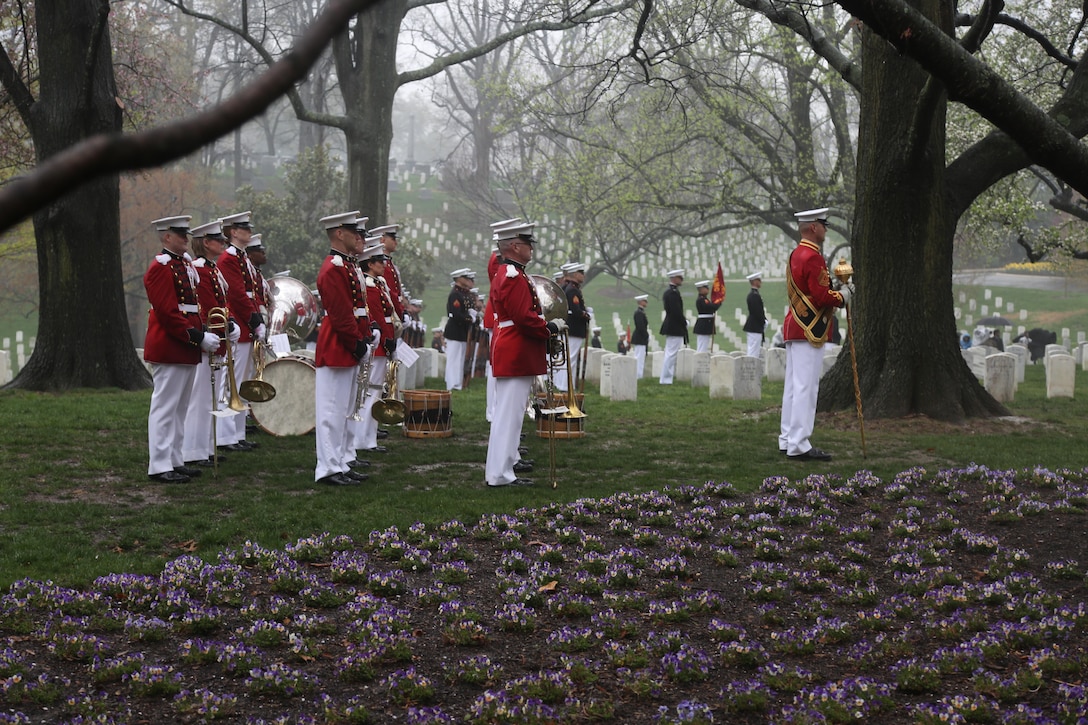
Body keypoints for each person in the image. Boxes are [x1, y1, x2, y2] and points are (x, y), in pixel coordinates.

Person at [485, 221, 566, 487]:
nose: (531, 248)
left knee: (513, 414)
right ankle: (499, 474)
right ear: (515, 246)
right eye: (527, 243)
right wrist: (549, 328)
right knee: (508, 415)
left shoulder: (514, 273)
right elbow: (523, 317)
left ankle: (506, 466)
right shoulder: (511, 275)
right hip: (514, 348)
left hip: (516, 348)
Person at [143, 215, 221, 483]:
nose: (185, 238)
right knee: (165, 407)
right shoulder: (160, 267)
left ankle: (174, 459)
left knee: (179, 407)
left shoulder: (182, 264)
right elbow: (167, 313)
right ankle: (160, 464)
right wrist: (197, 337)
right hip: (171, 344)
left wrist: (199, 334)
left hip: (184, 344)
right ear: (166, 237)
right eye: (179, 234)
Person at [779, 207, 849, 462]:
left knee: (793, 387)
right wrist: (843, 296)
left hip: (795, 325)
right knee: (806, 388)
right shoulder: (813, 257)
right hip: (810, 329)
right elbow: (820, 296)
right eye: (823, 224)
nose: (826, 229)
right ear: (813, 227)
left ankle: (787, 438)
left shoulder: (796, 254)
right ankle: (799, 444)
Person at [314, 211, 372, 486]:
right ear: (339, 233)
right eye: (353, 232)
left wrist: (366, 333)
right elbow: (340, 314)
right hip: (338, 345)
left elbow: (359, 309)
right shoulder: (333, 268)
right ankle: (327, 467)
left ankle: (340, 462)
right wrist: (357, 343)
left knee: (346, 409)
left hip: (349, 343)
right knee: (331, 411)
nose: (359, 237)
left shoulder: (348, 265)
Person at [181, 219, 239, 467]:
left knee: (211, 398)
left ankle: (204, 446)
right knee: (200, 398)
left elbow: (223, 305)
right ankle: (193, 450)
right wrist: (217, 330)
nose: (224, 244)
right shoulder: (201, 270)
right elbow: (204, 309)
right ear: (206, 243)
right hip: (208, 341)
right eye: (220, 240)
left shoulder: (212, 269)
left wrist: (231, 323)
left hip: (218, 340)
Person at [215, 211, 262, 453]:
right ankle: (225, 435)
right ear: (233, 232)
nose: (249, 232)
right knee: (230, 382)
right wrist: (254, 320)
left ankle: (237, 433)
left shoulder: (241, 257)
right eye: (244, 228)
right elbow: (236, 293)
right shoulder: (228, 258)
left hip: (248, 324)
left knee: (242, 383)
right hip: (240, 324)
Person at [353, 240, 398, 455]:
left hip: (384, 341)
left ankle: (368, 438)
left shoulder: (377, 283)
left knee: (375, 392)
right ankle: (363, 439)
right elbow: (379, 318)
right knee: (370, 392)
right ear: (370, 264)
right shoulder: (370, 286)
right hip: (379, 343)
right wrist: (388, 341)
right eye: (380, 261)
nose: (384, 264)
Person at [557, 262, 590, 391]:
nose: (583, 276)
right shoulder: (573, 290)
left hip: (571, 329)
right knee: (570, 358)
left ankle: (564, 385)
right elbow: (576, 310)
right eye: (581, 273)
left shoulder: (571, 288)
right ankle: (565, 386)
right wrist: (585, 314)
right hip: (574, 329)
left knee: (568, 357)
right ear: (575, 274)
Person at [444, 268, 476, 390]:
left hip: (461, 331)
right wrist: (469, 318)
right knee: (454, 359)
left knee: (460, 358)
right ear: (459, 279)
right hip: (454, 331)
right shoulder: (455, 295)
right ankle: (452, 384)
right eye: (465, 278)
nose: (468, 280)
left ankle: (458, 383)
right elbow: (456, 314)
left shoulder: (463, 294)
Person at [658, 269, 687, 384]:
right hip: (674, 326)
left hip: (673, 325)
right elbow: (676, 311)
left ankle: (666, 378)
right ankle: (665, 379)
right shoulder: (672, 293)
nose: (682, 280)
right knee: (671, 353)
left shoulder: (671, 292)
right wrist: (684, 322)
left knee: (670, 353)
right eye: (680, 278)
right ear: (674, 278)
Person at [742, 271, 767, 358]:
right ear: (755, 282)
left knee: (754, 349)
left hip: (754, 326)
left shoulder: (754, 294)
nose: (761, 282)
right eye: (759, 280)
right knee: (753, 350)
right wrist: (763, 321)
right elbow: (757, 312)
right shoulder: (754, 296)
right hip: (755, 326)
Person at [692, 279, 721, 353]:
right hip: (704, 324)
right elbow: (712, 307)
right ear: (701, 289)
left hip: (706, 324)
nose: (708, 289)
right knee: (702, 346)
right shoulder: (702, 300)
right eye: (706, 287)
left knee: (704, 344)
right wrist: (718, 302)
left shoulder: (705, 299)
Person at [631, 294, 650, 378]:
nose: (646, 302)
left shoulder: (640, 312)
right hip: (640, 338)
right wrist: (646, 335)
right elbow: (641, 327)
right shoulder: (639, 313)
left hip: (640, 338)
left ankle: (639, 375)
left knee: (640, 357)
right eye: (645, 301)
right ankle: (638, 375)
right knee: (639, 357)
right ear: (641, 302)